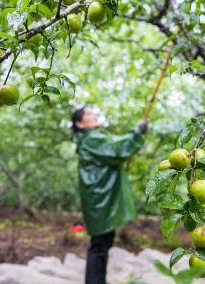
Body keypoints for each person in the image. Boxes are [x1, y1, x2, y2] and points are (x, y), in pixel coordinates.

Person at [71, 107, 148, 284]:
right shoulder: (91, 138)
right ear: (80, 124)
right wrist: (135, 133)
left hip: (101, 199)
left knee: (102, 243)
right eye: (88, 114)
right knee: (99, 245)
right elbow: (116, 148)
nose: (94, 115)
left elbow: (114, 153)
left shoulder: (91, 139)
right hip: (100, 200)